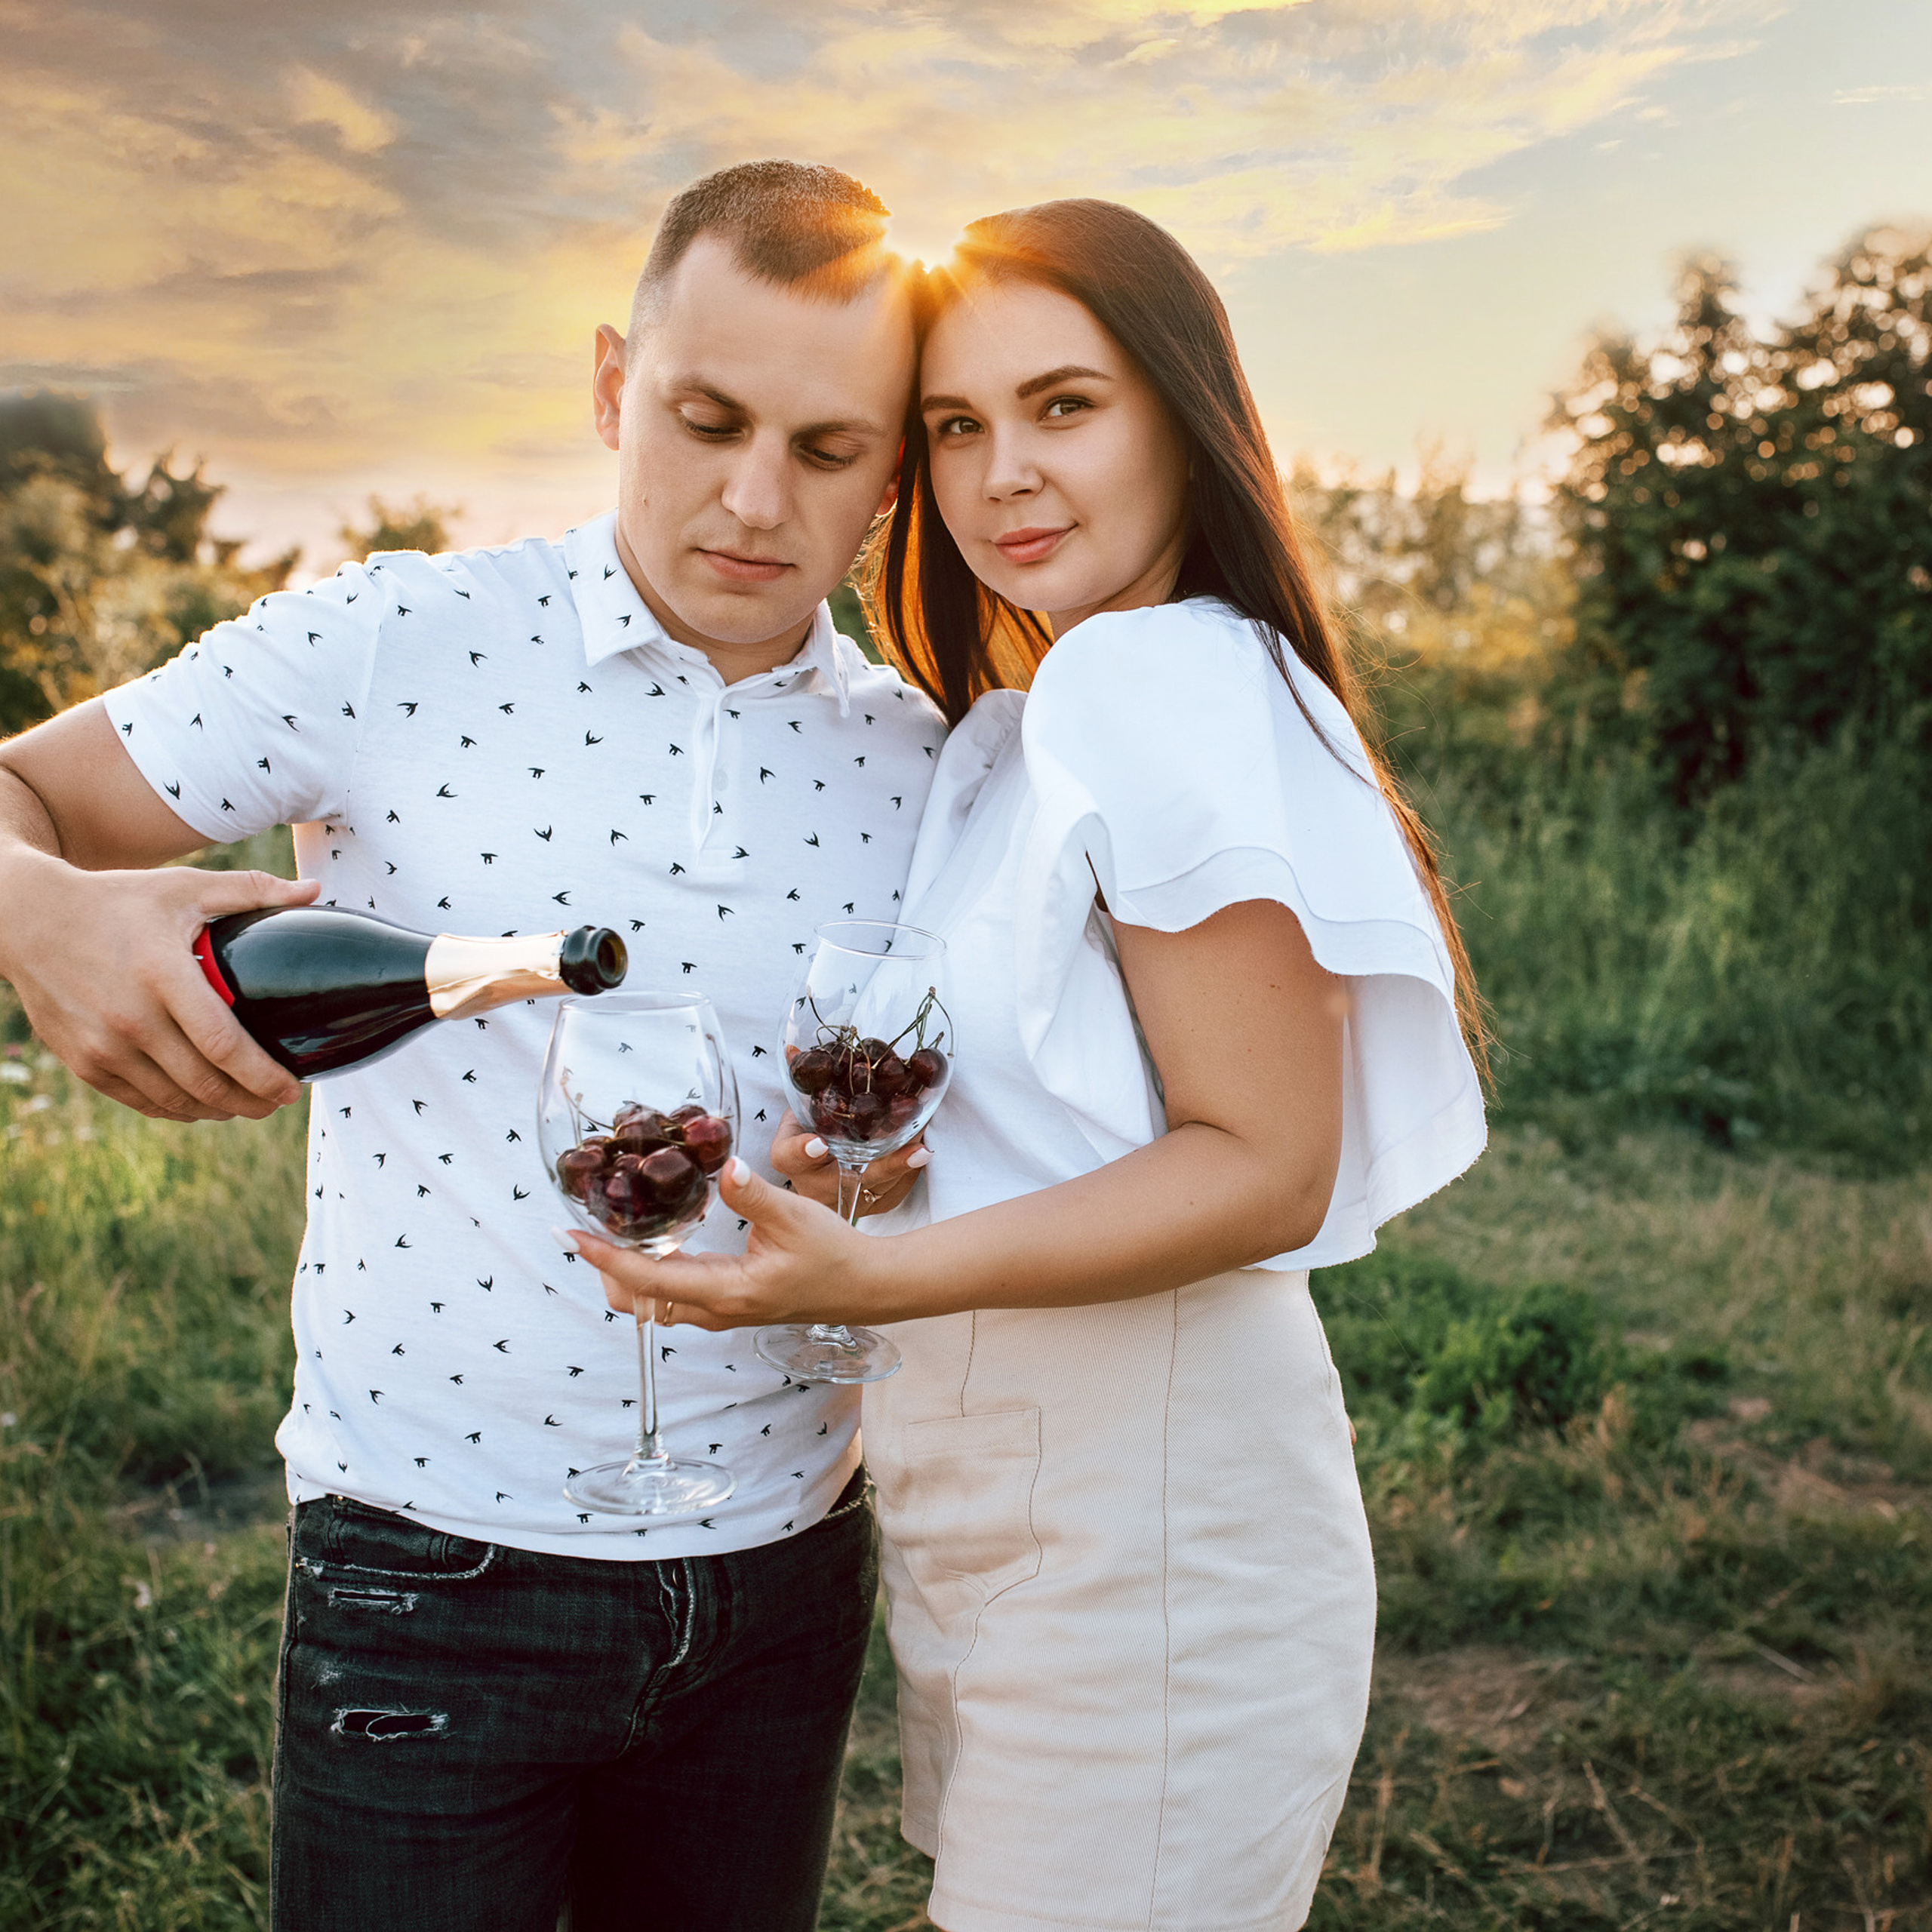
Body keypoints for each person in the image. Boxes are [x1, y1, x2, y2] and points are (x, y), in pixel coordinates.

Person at [0, 161, 944, 1932]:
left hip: (786, 1564)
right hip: (428, 1565)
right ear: (610, 383)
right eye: (704, 416)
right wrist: (36, 913)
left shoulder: (932, 760)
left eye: (828, 448)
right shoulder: (387, 642)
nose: (753, 497)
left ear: (893, 463)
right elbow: (21, 791)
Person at [574, 198, 1491, 1932]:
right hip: (1012, 1498)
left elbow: (1261, 1162)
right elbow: (1095, 1102)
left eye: (1062, 406)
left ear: (1181, 410)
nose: (1004, 472)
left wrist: (871, 1268)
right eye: (956, 425)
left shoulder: (1156, 680)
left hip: (1139, 1518)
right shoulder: (1025, 714)